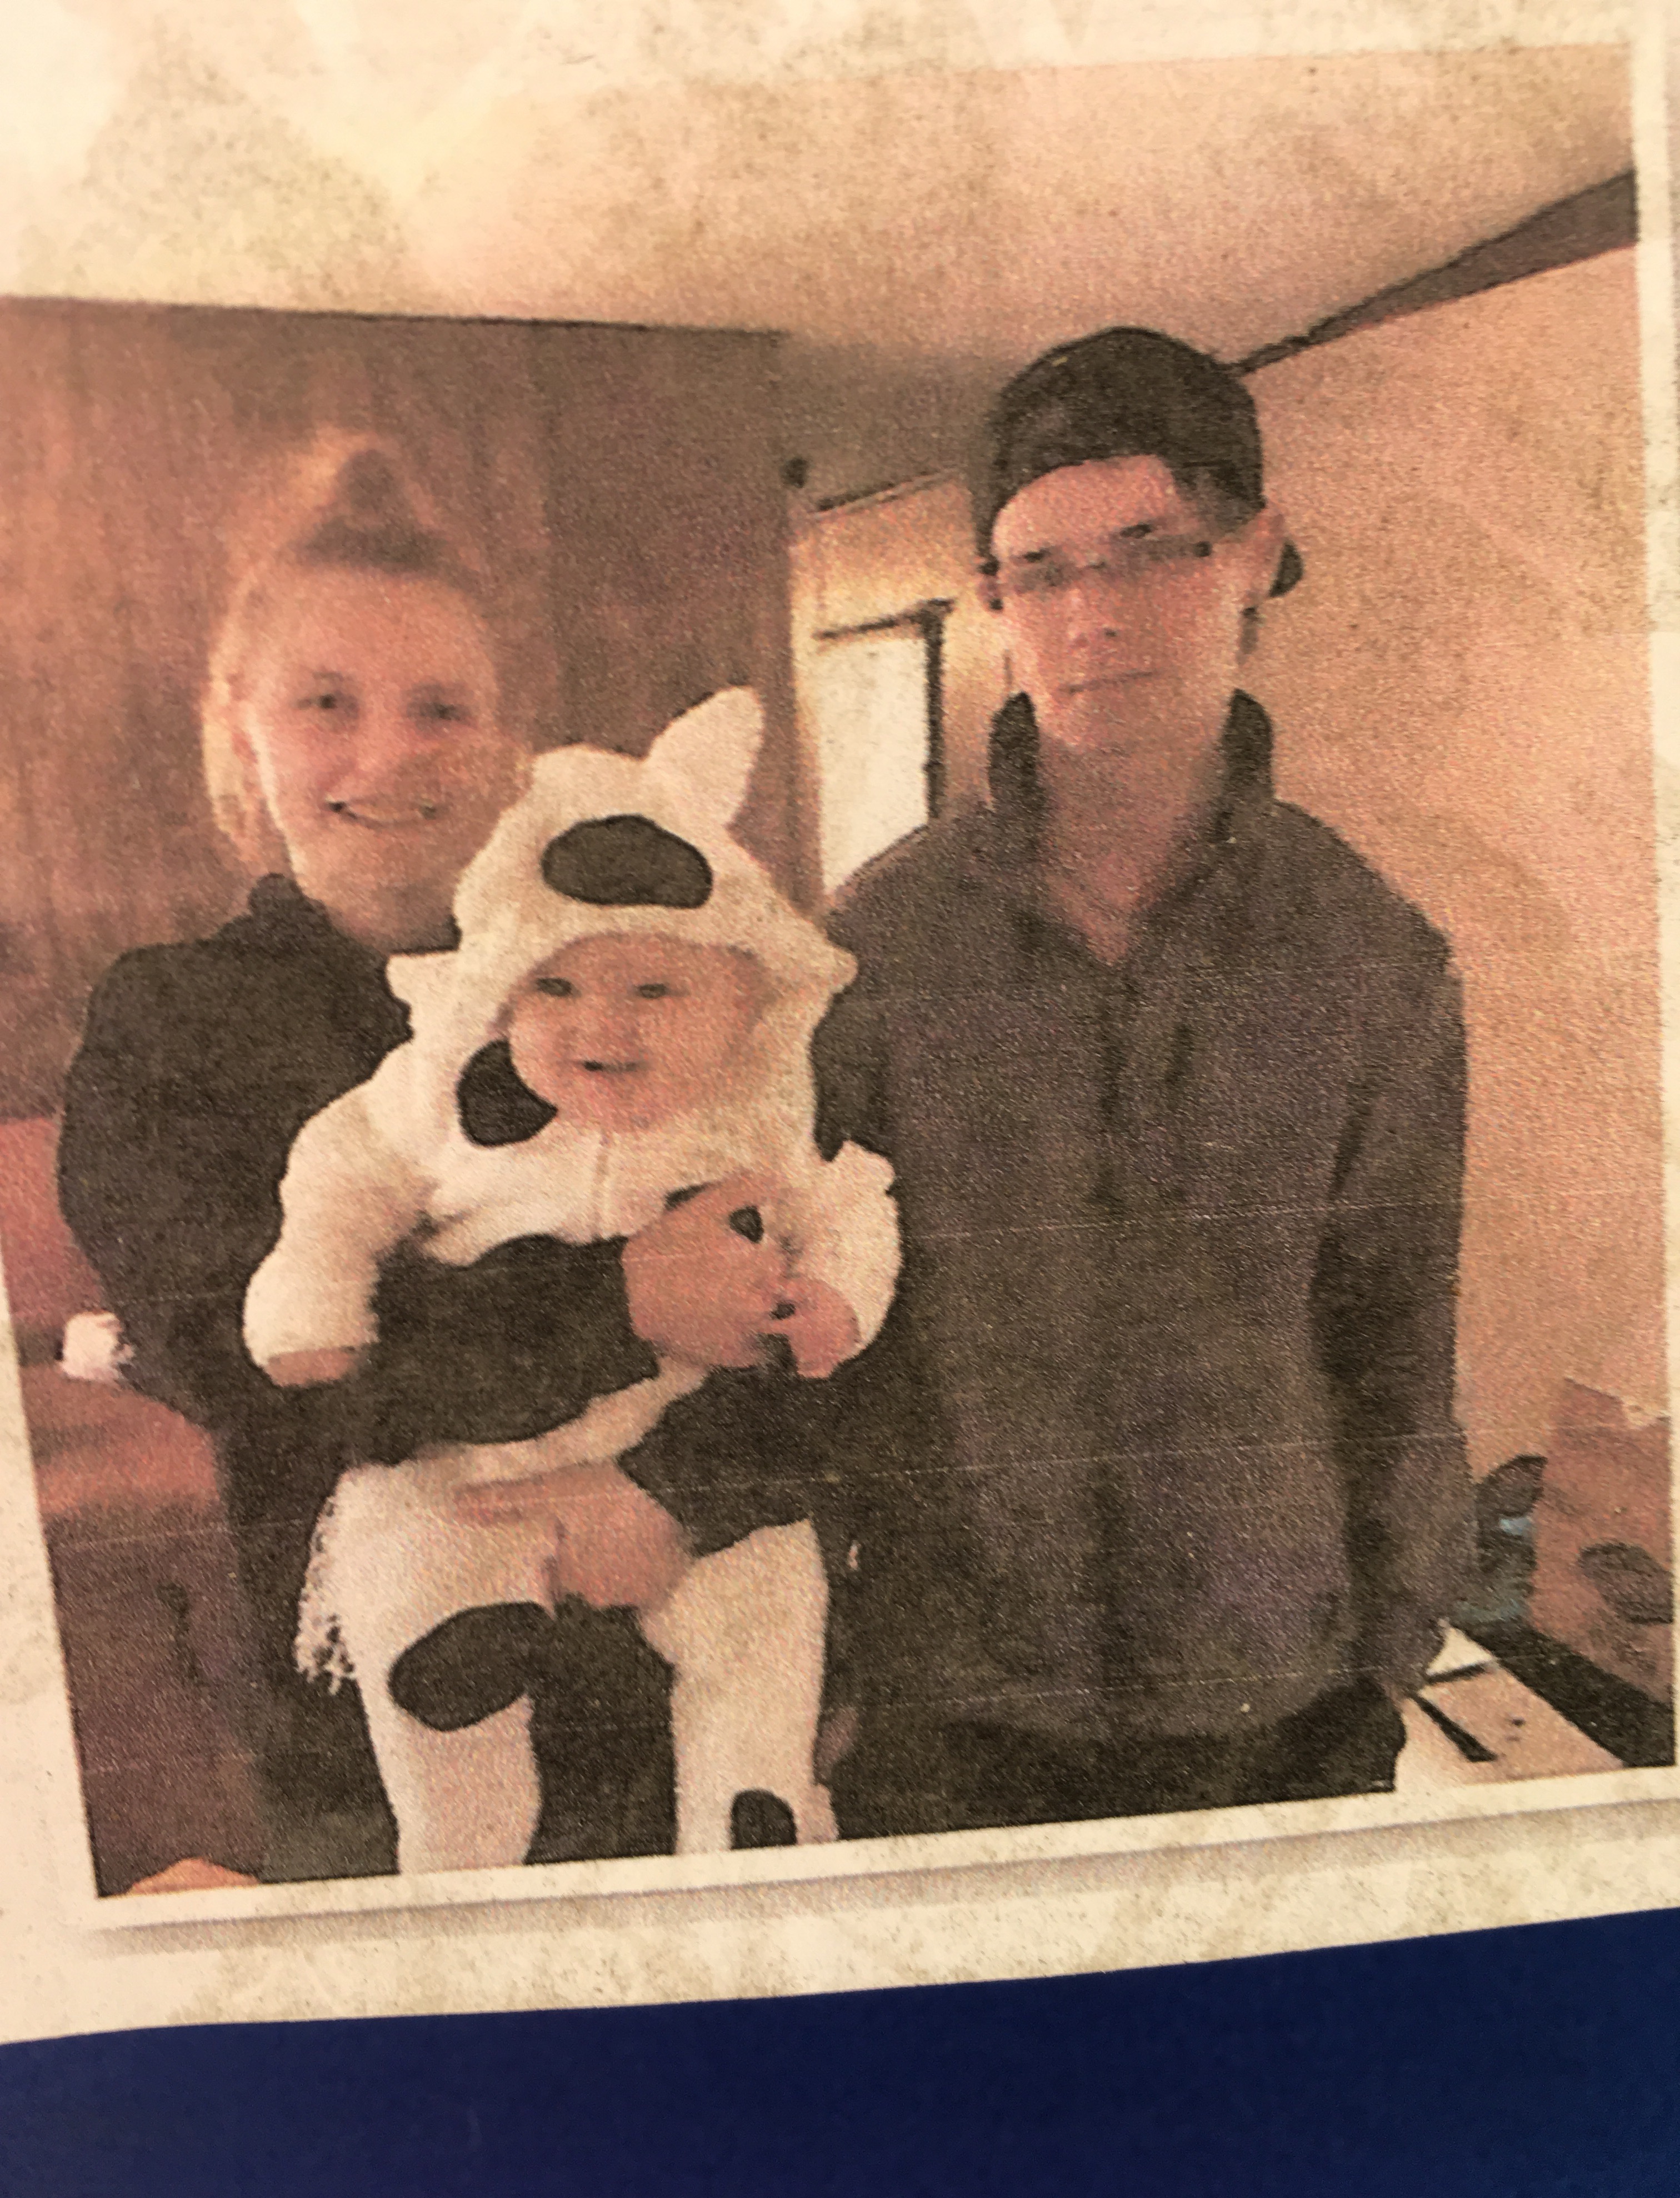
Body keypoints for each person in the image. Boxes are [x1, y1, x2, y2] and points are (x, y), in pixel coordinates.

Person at [618, 327, 1474, 1837]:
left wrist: (1385, 1667)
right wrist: (826, 1657)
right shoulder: (876, 946)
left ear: (1254, 555)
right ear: (997, 602)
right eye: (1042, 571)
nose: (1094, 615)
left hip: (1273, 1701)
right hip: (953, 1703)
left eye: (1151, 551)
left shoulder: (1369, 956)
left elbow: (1398, 1348)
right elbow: (803, 1323)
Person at [58, 439, 792, 1882]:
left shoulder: (655, 980)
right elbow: (267, 1369)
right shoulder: (168, 1024)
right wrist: (621, 1304)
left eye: (439, 707)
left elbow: (809, 1305)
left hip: (685, 1719)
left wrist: (679, 1496)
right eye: (326, 702)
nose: (388, 754)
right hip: (373, 1766)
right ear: (242, 729)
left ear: (510, 745)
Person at [242, 688, 898, 1869]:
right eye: (554, 988)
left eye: (654, 991)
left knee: (767, 1601)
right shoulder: (443, 1094)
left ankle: (750, 1808)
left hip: (688, 1449)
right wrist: (313, 1289)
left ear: (743, 999)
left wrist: (839, 1298)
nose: (603, 1025)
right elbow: (343, 1171)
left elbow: (854, 1202)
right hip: (473, 1461)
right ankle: (460, 1836)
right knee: (412, 1554)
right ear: (499, 993)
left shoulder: (763, 1114)